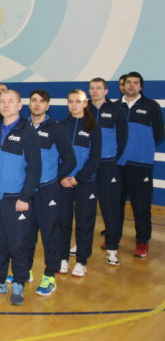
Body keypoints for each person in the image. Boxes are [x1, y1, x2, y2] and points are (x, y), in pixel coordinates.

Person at [0, 89, 41, 306]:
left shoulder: (28, 132)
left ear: (20, 106)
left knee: (18, 243)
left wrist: (26, 196)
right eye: (3, 101)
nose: (5, 105)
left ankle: (19, 283)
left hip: (17, 198)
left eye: (10, 101)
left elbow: (34, 168)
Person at [19, 90, 76, 296]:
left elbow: (70, 160)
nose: (37, 104)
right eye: (33, 100)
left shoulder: (56, 128)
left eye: (41, 101)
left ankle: (50, 276)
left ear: (47, 106)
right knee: (26, 234)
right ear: (29, 104)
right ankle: (25, 271)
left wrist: (55, 177)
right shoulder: (22, 127)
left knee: (50, 234)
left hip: (47, 190)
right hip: (26, 190)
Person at [117, 71, 164, 258]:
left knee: (141, 206)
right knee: (115, 205)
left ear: (141, 86)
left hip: (141, 165)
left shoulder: (151, 106)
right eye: (128, 82)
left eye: (135, 83)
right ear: (123, 85)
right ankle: (113, 238)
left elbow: (159, 133)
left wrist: (142, 147)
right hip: (118, 164)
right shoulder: (115, 106)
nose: (131, 85)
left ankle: (142, 242)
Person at [58, 89, 101, 277]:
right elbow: (55, 155)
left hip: (85, 183)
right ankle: (63, 258)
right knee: (63, 222)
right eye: (70, 101)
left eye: (78, 101)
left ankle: (82, 260)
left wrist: (78, 178)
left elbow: (95, 158)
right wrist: (61, 177)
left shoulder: (94, 127)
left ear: (85, 103)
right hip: (63, 183)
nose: (74, 105)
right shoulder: (61, 126)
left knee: (84, 223)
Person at [87, 78, 128, 265]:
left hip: (108, 166)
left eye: (98, 88)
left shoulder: (116, 110)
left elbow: (122, 138)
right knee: (85, 208)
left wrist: (111, 158)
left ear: (106, 91)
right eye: (92, 88)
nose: (94, 91)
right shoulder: (83, 109)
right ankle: (83, 245)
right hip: (87, 166)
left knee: (110, 209)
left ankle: (112, 248)